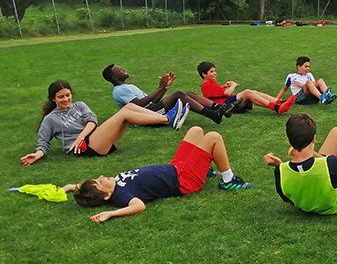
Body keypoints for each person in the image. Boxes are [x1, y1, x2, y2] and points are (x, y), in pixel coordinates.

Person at [63, 125, 253, 223]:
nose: (101, 177)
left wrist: (74, 186)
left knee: (195, 131)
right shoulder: (122, 195)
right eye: (99, 182)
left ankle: (204, 169)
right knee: (213, 137)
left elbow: (90, 190)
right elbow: (138, 206)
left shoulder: (114, 183)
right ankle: (229, 180)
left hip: (176, 167)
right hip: (184, 179)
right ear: (106, 195)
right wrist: (111, 214)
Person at [19, 80, 189, 166]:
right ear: (53, 99)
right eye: (61, 97)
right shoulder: (50, 119)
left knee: (129, 107)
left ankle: (167, 118)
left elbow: (92, 121)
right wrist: (37, 155)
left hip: (95, 139)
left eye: (67, 95)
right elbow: (43, 142)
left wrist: (82, 136)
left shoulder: (79, 105)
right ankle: (168, 119)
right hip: (84, 149)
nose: (65, 99)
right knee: (125, 113)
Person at [102, 64, 224, 124]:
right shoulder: (118, 91)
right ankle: (213, 115)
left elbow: (153, 101)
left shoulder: (129, 86)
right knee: (178, 94)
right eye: (121, 70)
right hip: (147, 114)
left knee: (189, 94)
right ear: (115, 77)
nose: (124, 70)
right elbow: (139, 105)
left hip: (152, 108)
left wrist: (164, 87)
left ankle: (219, 108)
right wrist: (160, 88)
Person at [197, 61, 295, 116]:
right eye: (211, 72)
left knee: (253, 92)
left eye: (214, 71)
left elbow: (217, 94)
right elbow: (227, 93)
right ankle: (276, 107)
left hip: (227, 103)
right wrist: (233, 85)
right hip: (226, 106)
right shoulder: (206, 85)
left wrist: (223, 87)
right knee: (247, 92)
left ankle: (278, 102)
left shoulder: (210, 83)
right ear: (204, 74)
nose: (215, 73)